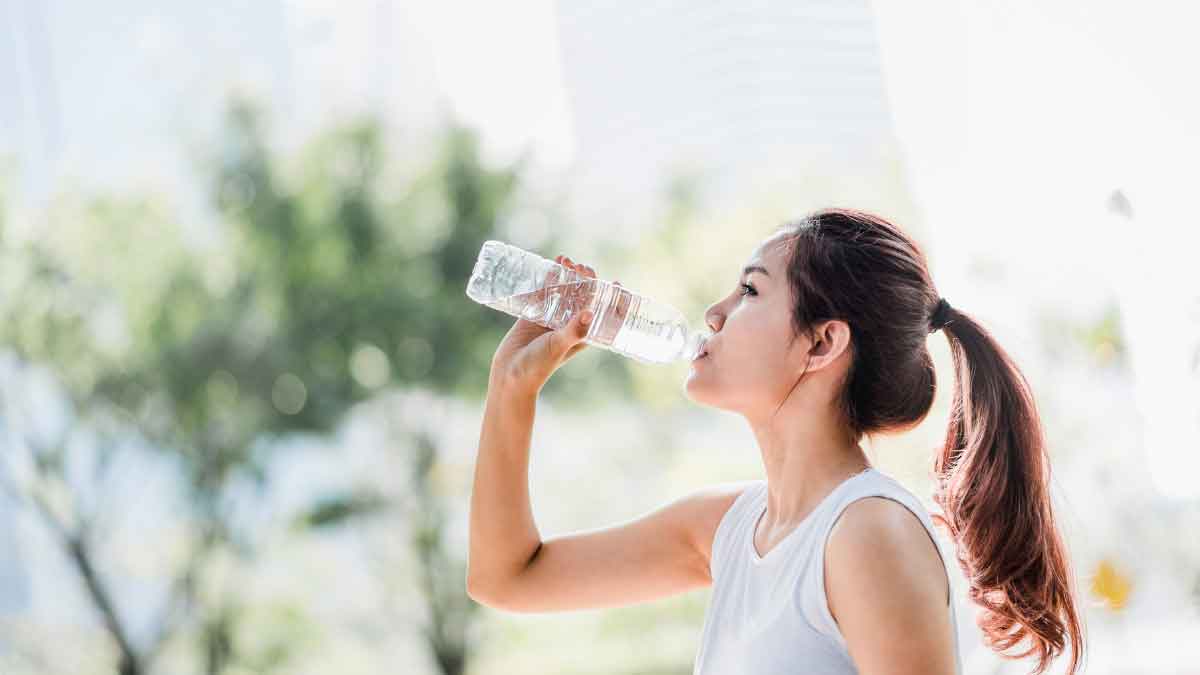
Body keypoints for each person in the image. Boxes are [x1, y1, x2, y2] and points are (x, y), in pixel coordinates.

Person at [467, 208, 1085, 675]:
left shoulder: (867, 534)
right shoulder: (729, 529)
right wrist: (511, 389)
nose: (713, 312)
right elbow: (508, 578)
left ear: (822, 344)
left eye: (750, 291)